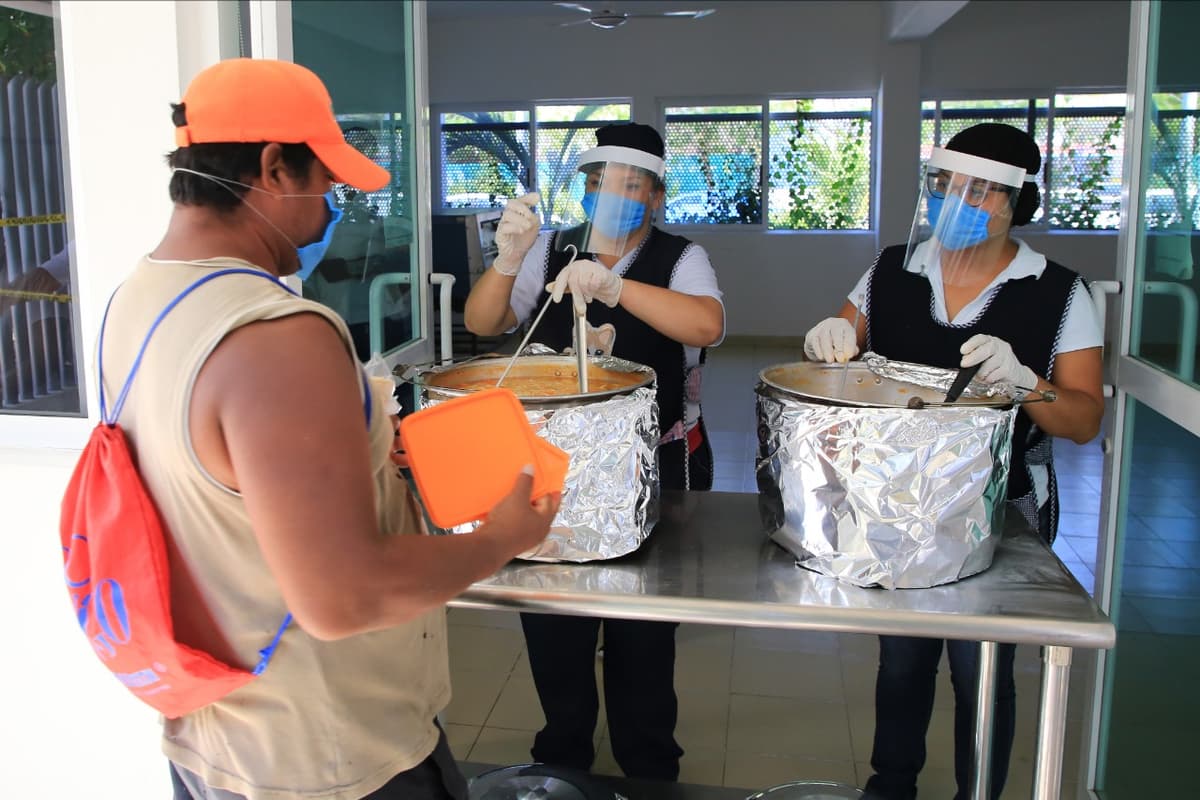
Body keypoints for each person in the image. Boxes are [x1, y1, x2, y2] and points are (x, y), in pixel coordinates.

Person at [102, 58, 560, 800]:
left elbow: (226, 486)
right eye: (327, 184)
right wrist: (502, 539)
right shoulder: (278, 332)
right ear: (274, 167)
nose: (331, 211)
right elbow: (343, 598)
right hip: (331, 755)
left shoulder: (138, 299)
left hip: (218, 735)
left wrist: (368, 449)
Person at [804, 123, 1104, 800]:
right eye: (943, 185)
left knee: (982, 668)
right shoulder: (890, 269)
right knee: (903, 655)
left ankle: (981, 793)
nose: (953, 201)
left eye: (975, 191)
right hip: (898, 503)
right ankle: (892, 783)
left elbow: (1084, 421)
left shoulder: (1058, 293)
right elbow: (839, 362)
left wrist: (1027, 382)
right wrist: (828, 341)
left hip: (999, 513)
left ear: (1014, 204)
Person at [463, 122, 725, 780]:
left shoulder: (680, 256)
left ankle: (648, 765)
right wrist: (507, 260)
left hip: (651, 467)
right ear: (582, 189)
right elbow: (483, 323)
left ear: (658, 197)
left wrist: (614, 288)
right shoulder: (549, 248)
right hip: (554, 473)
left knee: (641, 631)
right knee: (555, 628)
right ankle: (563, 761)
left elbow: (707, 325)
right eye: (601, 183)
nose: (615, 197)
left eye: (633, 186)